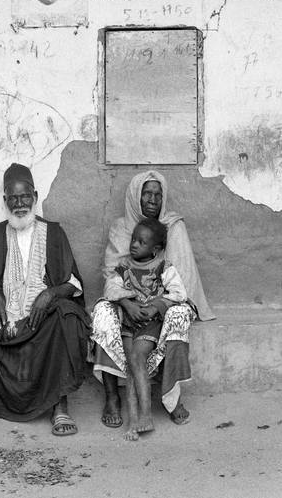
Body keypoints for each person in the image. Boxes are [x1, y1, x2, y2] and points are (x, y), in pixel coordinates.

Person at [0, 163, 90, 439]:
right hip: (0, 320)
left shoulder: (54, 233)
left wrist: (50, 294)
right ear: (5, 200)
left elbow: (74, 282)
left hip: (40, 321)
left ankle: (60, 406)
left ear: (35, 195)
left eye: (25, 197)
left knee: (68, 315)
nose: (20, 204)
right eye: (13, 198)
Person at [91, 170, 215, 428]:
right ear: (135, 196)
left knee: (179, 314)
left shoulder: (173, 225)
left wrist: (159, 304)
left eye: (158, 194)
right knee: (102, 311)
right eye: (146, 193)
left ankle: (172, 397)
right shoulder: (120, 227)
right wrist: (127, 303)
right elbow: (111, 277)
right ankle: (113, 397)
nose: (152, 200)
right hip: (126, 303)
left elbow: (179, 282)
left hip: (163, 301)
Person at [105, 218, 191, 440]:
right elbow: (111, 288)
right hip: (128, 321)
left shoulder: (164, 267)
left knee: (136, 357)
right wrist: (127, 304)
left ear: (155, 249)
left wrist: (155, 307)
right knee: (130, 364)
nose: (134, 244)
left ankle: (143, 414)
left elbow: (179, 293)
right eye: (134, 239)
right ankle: (135, 421)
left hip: (150, 323)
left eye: (141, 242)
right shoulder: (123, 265)